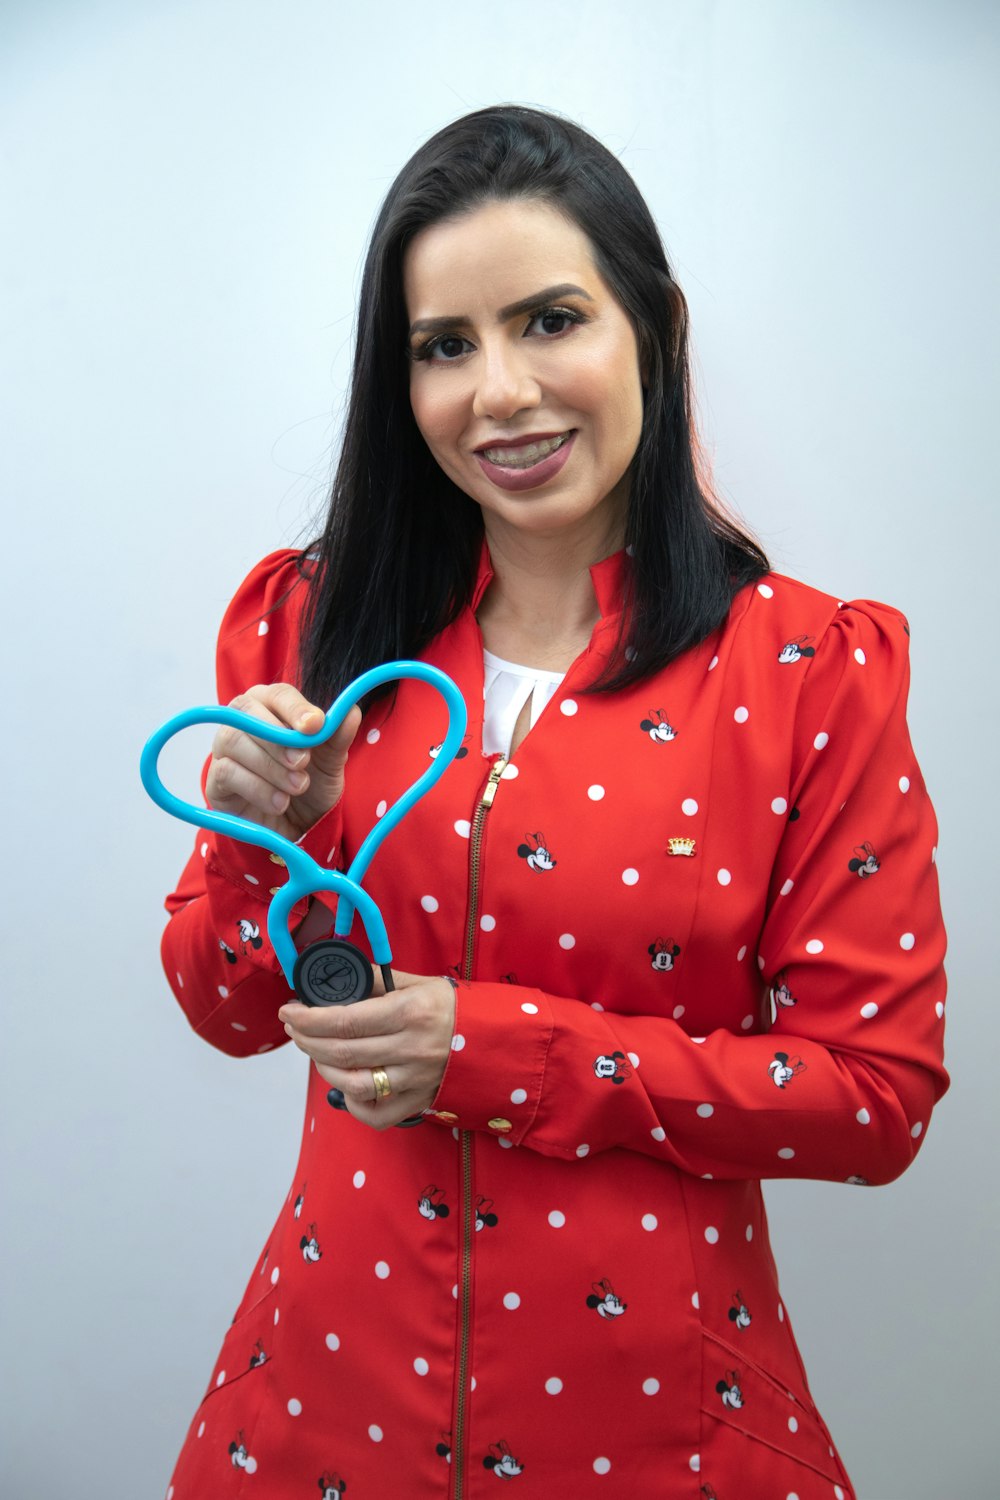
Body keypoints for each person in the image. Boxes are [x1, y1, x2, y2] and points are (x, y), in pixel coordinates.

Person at [159, 105, 948, 1498]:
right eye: (444, 347)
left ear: (654, 325)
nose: (502, 393)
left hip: (658, 1439)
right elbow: (226, 1011)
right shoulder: (307, 628)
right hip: (322, 1417)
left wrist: (510, 1053)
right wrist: (258, 843)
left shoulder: (810, 673)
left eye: (550, 320)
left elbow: (872, 1099)